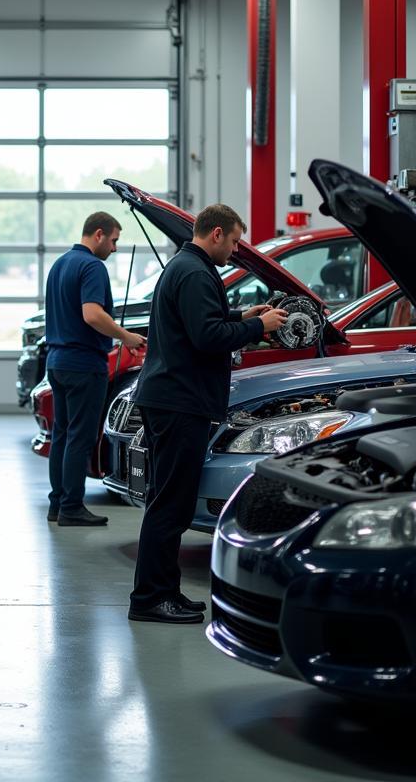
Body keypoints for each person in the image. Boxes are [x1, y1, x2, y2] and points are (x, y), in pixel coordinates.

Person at [128, 204, 287, 624]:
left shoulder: (185, 267)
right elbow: (206, 336)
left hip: (170, 398)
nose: (235, 251)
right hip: (179, 401)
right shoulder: (198, 272)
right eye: (235, 241)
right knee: (170, 505)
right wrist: (260, 327)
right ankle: (150, 598)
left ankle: (165, 591)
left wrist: (242, 315)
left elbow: (201, 322)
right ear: (216, 233)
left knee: (169, 501)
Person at [45, 212, 146, 527]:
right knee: (80, 436)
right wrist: (126, 336)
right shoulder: (92, 267)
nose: (115, 248)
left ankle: (58, 503)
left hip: (57, 362)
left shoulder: (60, 264)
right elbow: (91, 314)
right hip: (83, 365)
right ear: (99, 234)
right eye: (114, 240)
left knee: (61, 434)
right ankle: (73, 507)